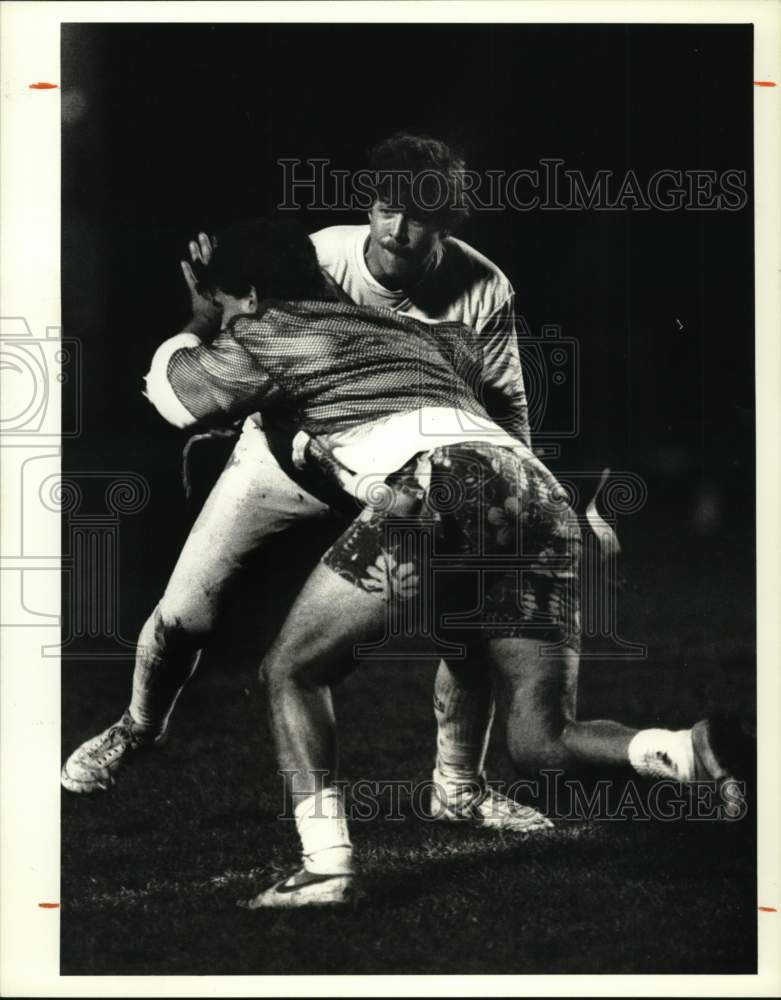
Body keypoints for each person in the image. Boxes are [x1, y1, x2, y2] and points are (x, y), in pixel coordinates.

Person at [131, 218, 740, 908]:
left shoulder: (264, 328)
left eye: (228, 300)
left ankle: (325, 870)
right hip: (541, 495)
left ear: (245, 291)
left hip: (449, 484)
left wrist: (198, 317)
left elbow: (172, 398)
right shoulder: (408, 334)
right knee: (540, 741)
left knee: (293, 669)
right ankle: (691, 749)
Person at [61, 135, 549, 833]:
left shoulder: (483, 287)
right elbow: (249, 351)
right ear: (368, 205)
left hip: (399, 473)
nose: (397, 229)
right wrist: (215, 315)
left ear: (449, 222)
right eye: (386, 208)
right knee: (184, 612)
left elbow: (505, 402)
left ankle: (458, 790)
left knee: (465, 625)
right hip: (286, 458)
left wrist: (517, 499)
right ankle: (137, 727)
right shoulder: (318, 257)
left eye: (418, 215)